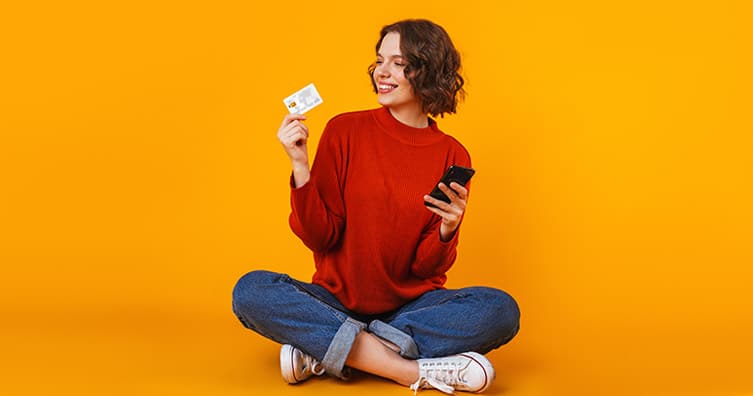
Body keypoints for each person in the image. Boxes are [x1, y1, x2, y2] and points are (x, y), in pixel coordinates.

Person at [232, 19, 520, 394]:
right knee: (251, 291)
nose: (382, 72)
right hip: (334, 300)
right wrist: (300, 167)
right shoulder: (344, 130)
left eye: (399, 63)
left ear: (428, 70)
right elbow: (321, 236)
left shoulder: (452, 153)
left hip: (410, 311)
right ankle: (406, 371)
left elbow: (425, 268)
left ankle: (330, 351)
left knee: (500, 310)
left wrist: (448, 230)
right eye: (379, 60)